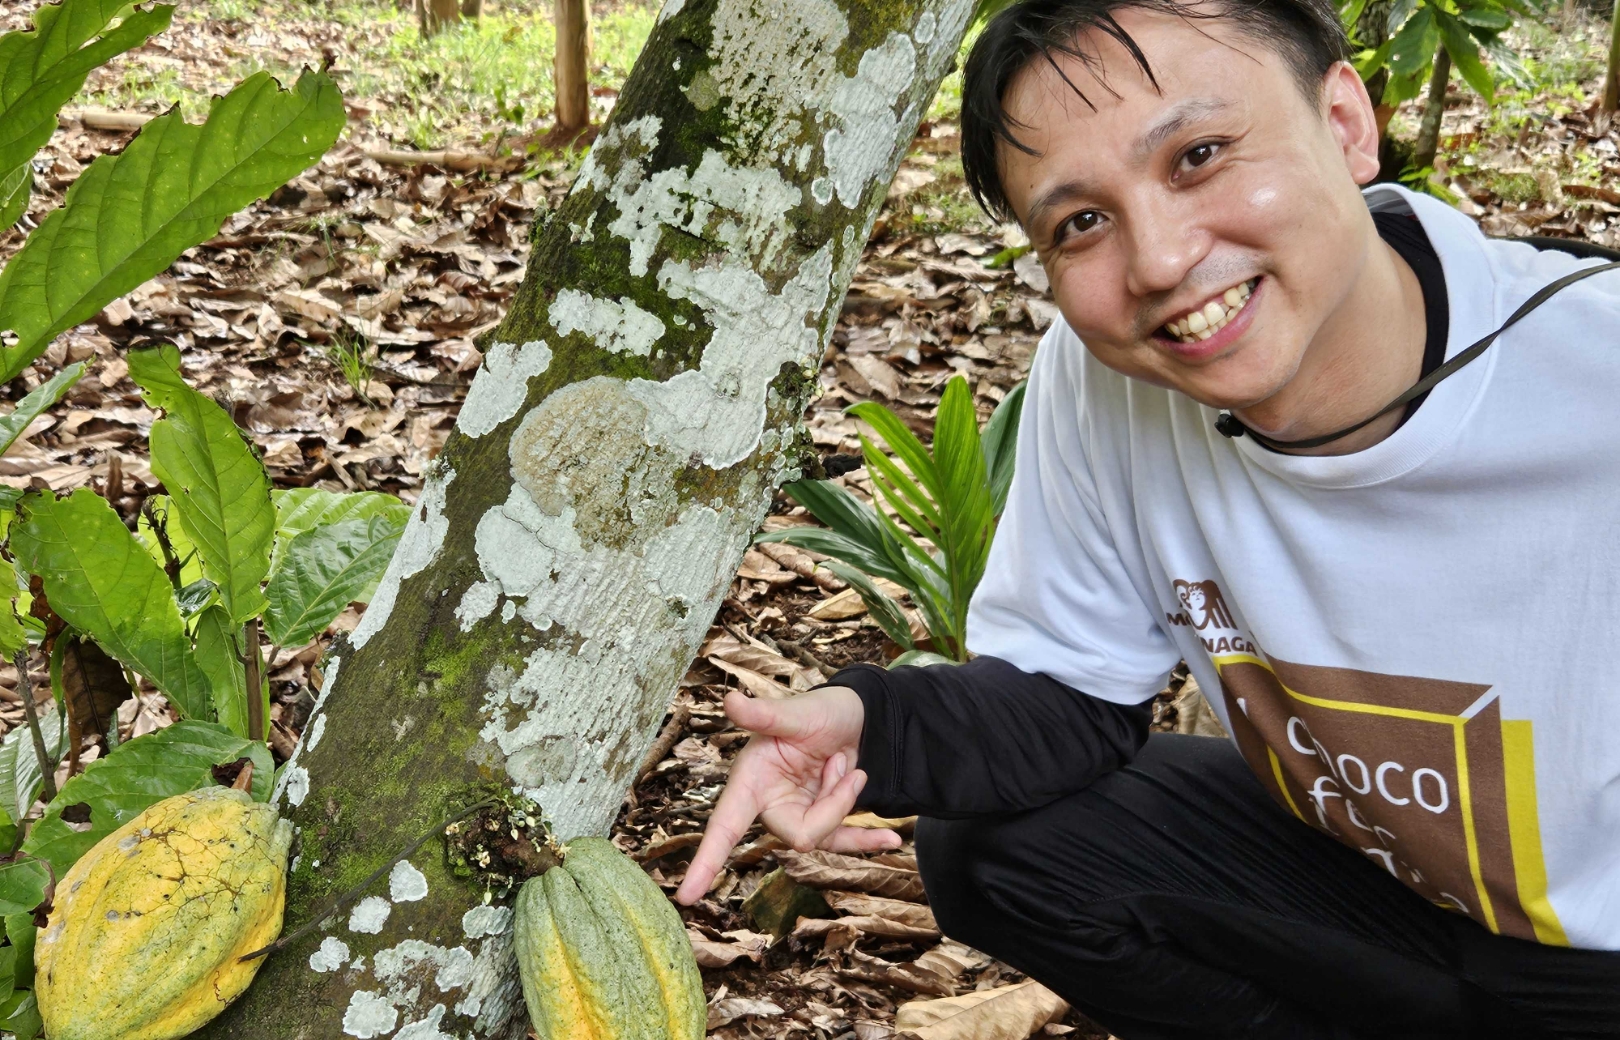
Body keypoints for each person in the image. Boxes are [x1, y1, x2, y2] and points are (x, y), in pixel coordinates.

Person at [675, 0, 1620, 1035]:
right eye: (1081, 222)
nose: (1161, 262)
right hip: (1401, 902)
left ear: (1346, 122)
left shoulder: (1592, 370)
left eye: (1199, 155)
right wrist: (868, 726)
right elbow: (1069, 697)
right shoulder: (1105, 380)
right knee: (998, 844)